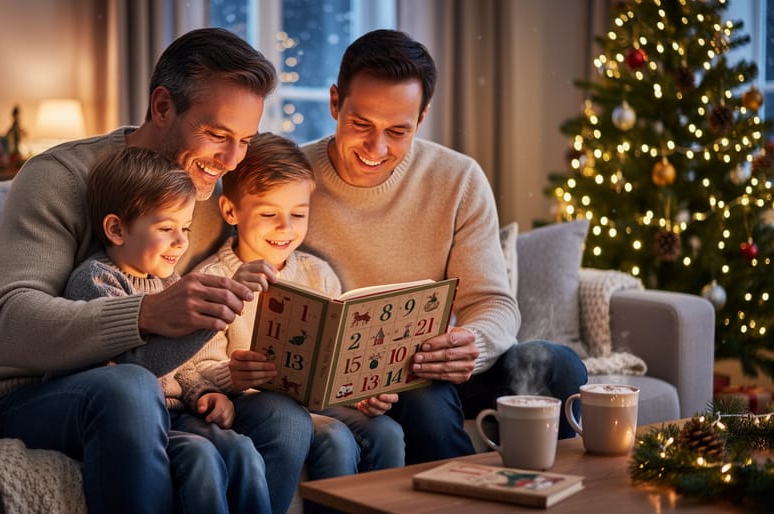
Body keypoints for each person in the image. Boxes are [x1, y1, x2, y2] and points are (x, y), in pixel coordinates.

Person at [0, 28, 313, 514]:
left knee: (283, 416)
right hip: (30, 393)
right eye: (216, 135)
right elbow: (8, 326)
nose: (231, 160)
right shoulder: (58, 178)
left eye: (245, 140)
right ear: (163, 106)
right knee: (129, 387)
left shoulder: (213, 187)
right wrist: (145, 313)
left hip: (169, 393)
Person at [297, 29, 588, 464]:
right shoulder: (289, 180)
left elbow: (494, 303)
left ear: (422, 116)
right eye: (361, 124)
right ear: (336, 102)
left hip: (435, 366)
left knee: (560, 365)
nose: (376, 148)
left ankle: (558, 496)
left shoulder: (457, 178)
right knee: (422, 397)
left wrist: (471, 343)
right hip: (361, 387)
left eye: (398, 130)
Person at [61, 145, 273, 513]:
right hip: (132, 425)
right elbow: (134, 367)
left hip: (177, 414)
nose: (181, 241)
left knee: (243, 451)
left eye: (186, 228)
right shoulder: (96, 282)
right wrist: (216, 313)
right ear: (116, 229)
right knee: (200, 457)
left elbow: (182, 366)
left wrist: (205, 392)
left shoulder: (170, 280)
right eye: (166, 228)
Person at [188, 132, 405, 486]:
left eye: (298, 214)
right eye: (269, 213)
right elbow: (196, 370)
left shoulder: (316, 273)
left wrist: (365, 391)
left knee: (387, 431)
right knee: (334, 439)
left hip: (319, 404)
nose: (285, 228)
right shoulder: (212, 280)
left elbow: (342, 351)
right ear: (231, 210)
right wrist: (232, 376)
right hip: (255, 406)